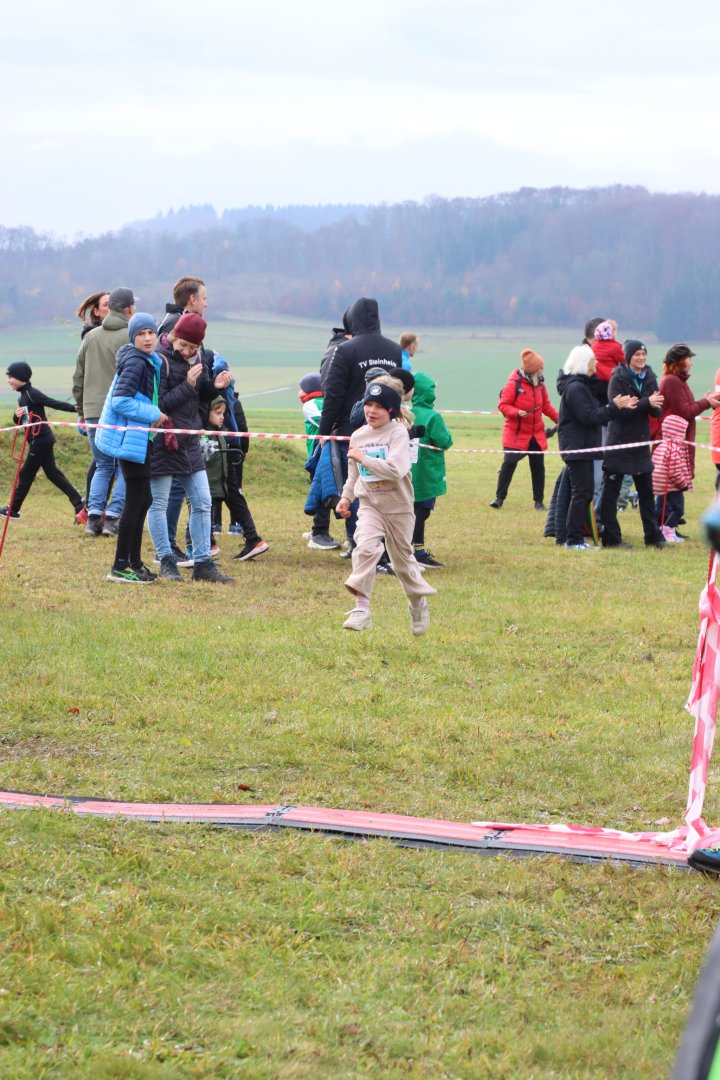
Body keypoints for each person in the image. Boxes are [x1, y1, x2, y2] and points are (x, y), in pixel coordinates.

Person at [335, 381, 436, 634]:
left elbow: (395, 470)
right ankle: (361, 609)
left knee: (402, 563)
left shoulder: (398, 433)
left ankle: (417, 605)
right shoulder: (358, 435)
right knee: (365, 547)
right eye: (368, 404)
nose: (371, 410)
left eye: (379, 406)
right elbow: (354, 474)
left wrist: (364, 458)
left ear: (391, 410)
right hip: (370, 504)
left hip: (398, 507)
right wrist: (346, 497)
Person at [147, 313, 234, 584]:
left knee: (203, 502)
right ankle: (166, 561)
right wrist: (188, 385)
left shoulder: (200, 359)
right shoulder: (159, 359)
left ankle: (203, 563)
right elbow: (159, 404)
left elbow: (200, 396)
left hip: (190, 441)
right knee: (159, 503)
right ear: (174, 336)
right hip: (164, 440)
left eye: (192, 347)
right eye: (182, 344)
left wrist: (214, 387)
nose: (186, 351)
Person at [95, 313, 166, 583]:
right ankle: (120, 566)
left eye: (151, 332)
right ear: (132, 337)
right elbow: (121, 401)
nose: (147, 338)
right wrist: (154, 414)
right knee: (136, 501)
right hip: (130, 440)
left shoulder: (148, 361)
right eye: (141, 334)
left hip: (140, 439)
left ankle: (134, 563)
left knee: (144, 499)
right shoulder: (136, 362)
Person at [557, 344, 636, 550]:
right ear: (584, 363)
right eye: (593, 359)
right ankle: (573, 539)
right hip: (578, 448)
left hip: (584, 447)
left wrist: (613, 408)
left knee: (584, 493)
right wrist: (613, 408)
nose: (596, 362)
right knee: (582, 493)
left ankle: (575, 538)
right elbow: (588, 416)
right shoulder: (576, 388)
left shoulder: (583, 386)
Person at [73, 287, 136, 536]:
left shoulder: (90, 337)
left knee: (103, 466)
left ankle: (93, 518)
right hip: (121, 410)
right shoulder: (132, 336)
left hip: (92, 410)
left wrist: (81, 410)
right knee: (125, 468)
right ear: (129, 309)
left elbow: (78, 377)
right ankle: (112, 517)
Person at [599, 340, 666, 549]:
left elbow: (657, 408)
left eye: (644, 354)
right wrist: (647, 402)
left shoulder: (650, 377)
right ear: (629, 357)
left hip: (640, 443)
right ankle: (611, 538)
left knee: (646, 492)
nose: (641, 358)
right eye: (637, 354)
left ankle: (653, 537)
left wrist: (654, 406)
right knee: (611, 492)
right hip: (619, 442)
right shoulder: (617, 379)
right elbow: (622, 411)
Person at [1, 362, 84, 520]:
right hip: (39, 440)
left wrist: (78, 409)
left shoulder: (32, 394)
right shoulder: (22, 397)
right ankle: (79, 503)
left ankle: (13, 510)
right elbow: (23, 422)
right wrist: (16, 416)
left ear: (20, 377)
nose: (8, 380)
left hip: (41, 440)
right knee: (52, 473)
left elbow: (54, 403)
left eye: (11, 377)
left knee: (26, 473)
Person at [657, 344, 720, 529]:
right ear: (679, 362)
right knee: (671, 486)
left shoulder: (677, 381)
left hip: (678, 441)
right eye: (688, 359)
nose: (691, 363)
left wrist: (704, 401)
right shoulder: (672, 382)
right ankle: (664, 526)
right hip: (674, 442)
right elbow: (684, 411)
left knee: (671, 487)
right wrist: (706, 402)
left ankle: (666, 527)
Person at [490, 349, 558, 511]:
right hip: (515, 434)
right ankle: (499, 498)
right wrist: (517, 412)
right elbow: (503, 405)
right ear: (532, 370)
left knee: (538, 467)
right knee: (509, 463)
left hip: (536, 434)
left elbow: (547, 407)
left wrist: (563, 420)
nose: (542, 370)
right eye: (540, 368)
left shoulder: (540, 386)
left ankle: (539, 502)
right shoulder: (513, 384)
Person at [410, 371, 453, 568]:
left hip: (408, 472)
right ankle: (413, 552)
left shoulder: (407, 413)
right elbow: (444, 441)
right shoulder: (433, 417)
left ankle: (415, 551)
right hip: (426, 473)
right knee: (421, 512)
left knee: (411, 512)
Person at [74, 291, 110, 524]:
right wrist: (82, 412)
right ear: (96, 311)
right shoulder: (92, 336)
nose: (111, 308)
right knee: (104, 463)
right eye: (106, 305)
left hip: (96, 407)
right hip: (98, 407)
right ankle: (91, 508)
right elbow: (81, 375)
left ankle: (91, 508)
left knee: (102, 461)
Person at [299, 372, 340, 550]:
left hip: (320, 455)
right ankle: (319, 530)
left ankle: (319, 533)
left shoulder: (310, 405)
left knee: (322, 492)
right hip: (330, 453)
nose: (298, 392)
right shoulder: (328, 403)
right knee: (324, 491)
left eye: (301, 388)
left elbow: (324, 421)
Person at [652, 414, 692, 543]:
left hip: (663, 485)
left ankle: (669, 532)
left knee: (671, 508)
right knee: (678, 510)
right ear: (677, 433)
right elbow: (674, 471)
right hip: (673, 486)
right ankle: (667, 532)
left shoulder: (662, 446)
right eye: (683, 432)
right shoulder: (674, 449)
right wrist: (683, 484)